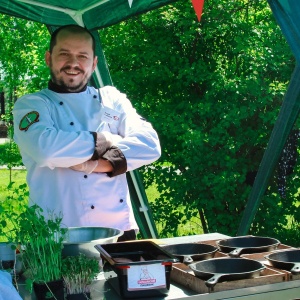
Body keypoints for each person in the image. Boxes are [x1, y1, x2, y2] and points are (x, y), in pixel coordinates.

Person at [12, 24, 161, 241]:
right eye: (64, 54)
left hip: (119, 232)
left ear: (94, 63)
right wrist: (109, 139)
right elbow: (46, 150)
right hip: (57, 237)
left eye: (82, 56)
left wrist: (102, 164)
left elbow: (150, 144)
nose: (73, 63)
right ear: (48, 58)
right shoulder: (32, 104)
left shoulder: (111, 98)